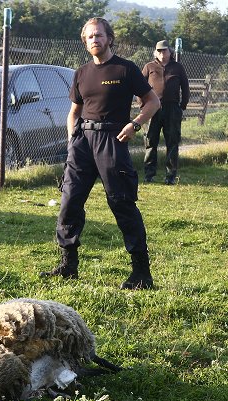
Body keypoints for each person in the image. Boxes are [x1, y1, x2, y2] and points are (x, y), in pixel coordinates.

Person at [41, 17, 161, 290]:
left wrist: (135, 125)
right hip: (82, 141)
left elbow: (152, 102)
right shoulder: (81, 73)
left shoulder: (126, 69)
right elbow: (74, 112)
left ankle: (141, 273)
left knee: (122, 203)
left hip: (112, 139)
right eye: (90, 37)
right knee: (69, 201)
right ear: (85, 42)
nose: (95, 40)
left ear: (109, 38)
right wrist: (72, 141)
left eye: (99, 35)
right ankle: (68, 266)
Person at [141, 39, 190, 185]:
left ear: (170, 52)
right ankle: (149, 174)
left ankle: (170, 176)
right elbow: (139, 86)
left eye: (165, 50)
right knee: (150, 141)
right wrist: (143, 104)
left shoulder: (178, 68)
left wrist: (182, 106)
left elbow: (185, 88)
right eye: (160, 51)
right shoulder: (149, 67)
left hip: (172, 109)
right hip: (152, 108)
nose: (162, 53)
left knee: (172, 142)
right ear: (156, 52)